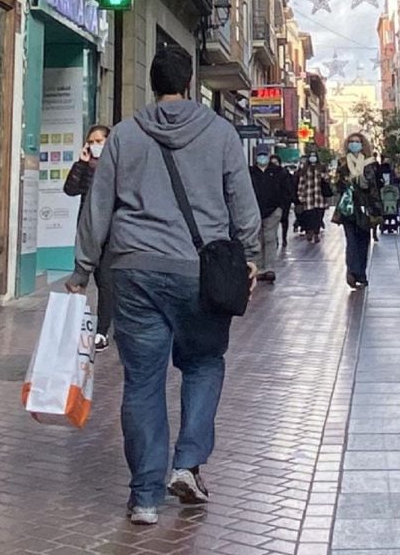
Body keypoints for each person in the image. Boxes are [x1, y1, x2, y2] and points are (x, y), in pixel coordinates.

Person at [66, 44, 260, 526]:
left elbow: (98, 206)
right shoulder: (220, 133)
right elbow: (241, 198)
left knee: (143, 381)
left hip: (134, 272)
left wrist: (82, 269)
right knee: (203, 363)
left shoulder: (125, 135)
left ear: (153, 84)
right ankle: (188, 463)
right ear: (191, 83)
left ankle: (145, 497)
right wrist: (251, 255)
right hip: (199, 271)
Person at [63, 125, 114, 352]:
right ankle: (76, 327)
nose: (95, 145)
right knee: (79, 279)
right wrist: (82, 163)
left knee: (106, 283)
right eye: (91, 141)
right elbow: (70, 189)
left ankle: (101, 331)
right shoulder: (86, 167)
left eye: (99, 141)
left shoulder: (114, 166)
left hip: (110, 234)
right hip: (86, 231)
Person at [334, 132, 382, 289]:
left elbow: (374, 187)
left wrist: (376, 210)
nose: (354, 144)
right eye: (351, 142)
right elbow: (337, 185)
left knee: (363, 241)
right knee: (351, 241)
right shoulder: (342, 164)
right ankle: (352, 272)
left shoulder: (370, 164)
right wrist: (345, 182)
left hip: (365, 208)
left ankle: (361, 273)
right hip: (349, 209)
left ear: (363, 145)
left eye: (357, 142)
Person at [249, 150, 287, 281]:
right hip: (254, 210)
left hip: (273, 210)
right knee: (257, 238)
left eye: (264, 155)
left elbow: (286, 189)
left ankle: (269, 267)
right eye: (260, 155)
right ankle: (259, 267)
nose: (262, 157)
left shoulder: (278, 172)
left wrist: (282, 207)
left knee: (270, 238)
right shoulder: (250, 172)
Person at [298, 152, 330, 243]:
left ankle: (316, 233)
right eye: (311, 156)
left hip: (319, 197)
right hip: (308, 197)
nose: (313, 158)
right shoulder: (305, 169)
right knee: (309, 216)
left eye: (314, 156)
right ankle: (309, 231)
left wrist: (324, 176)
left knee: (319, 216)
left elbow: (327, 180)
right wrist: (300, 195)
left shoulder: (321, 167)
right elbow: (301, 182)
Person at [276, 158, 296, 247]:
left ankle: (284, 238)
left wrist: (291, 198)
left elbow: (290, 187)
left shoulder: (285, 174)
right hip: (273, 202)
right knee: (273, 222)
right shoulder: (267, 174)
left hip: (284, 201)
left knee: (284, 220)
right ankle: (275, 239)